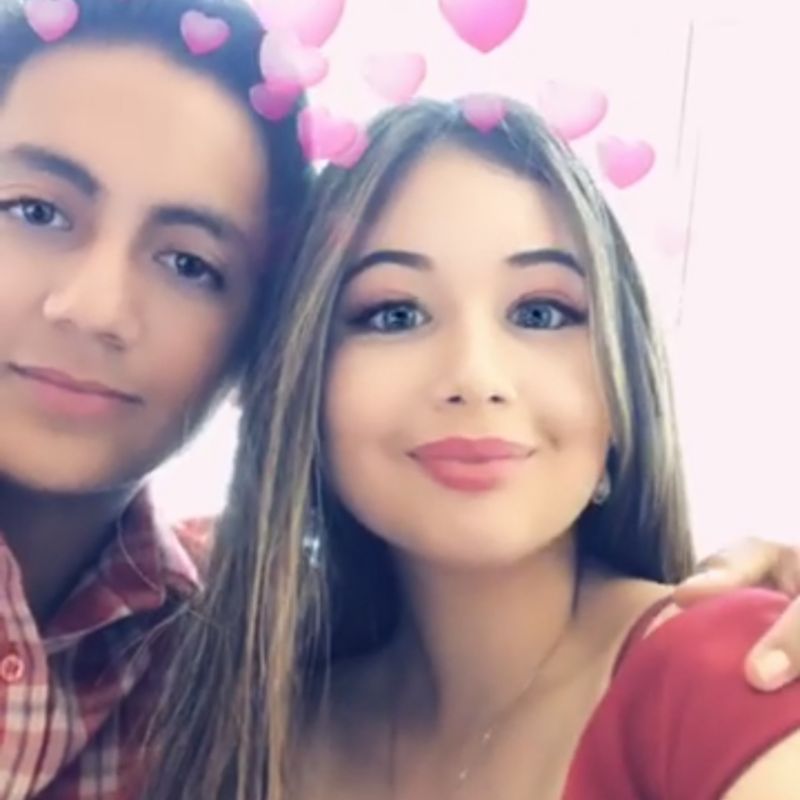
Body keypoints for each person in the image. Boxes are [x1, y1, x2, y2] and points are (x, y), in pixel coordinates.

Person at [149, 98, 800, 800]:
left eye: (540, 313)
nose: (474, 377)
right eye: (395, 314)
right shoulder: (249, 720)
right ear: (300, 380)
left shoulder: (737, 669)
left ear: (621, 385)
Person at [0, 0, 308, 796]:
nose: (95, 308)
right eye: (36, 211)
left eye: (188, 264)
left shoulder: (233, 675)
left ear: (257, 343)